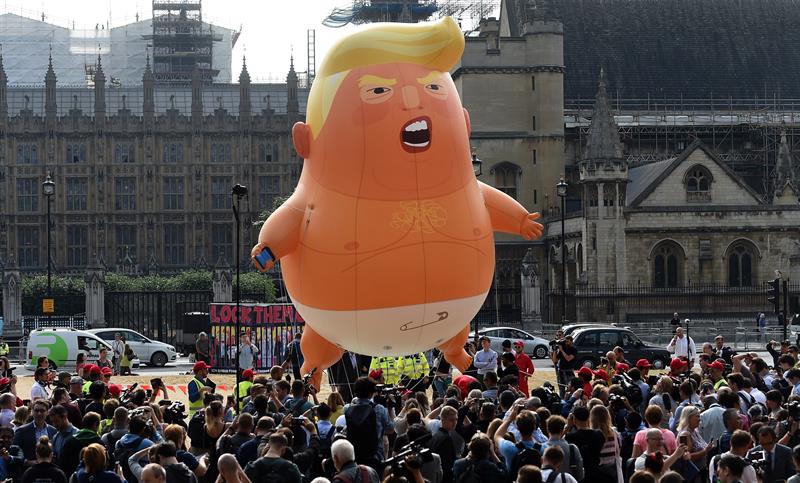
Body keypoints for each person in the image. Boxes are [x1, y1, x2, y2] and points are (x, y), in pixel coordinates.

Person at [14, 400, 57, 464]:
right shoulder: (22, 431)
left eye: (42, 411)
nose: (39, 413)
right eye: (36, 410)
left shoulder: (53, 431)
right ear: (32, 412)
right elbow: (15, 452)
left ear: (47, 412)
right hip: (29, 470)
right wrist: (27, 462)